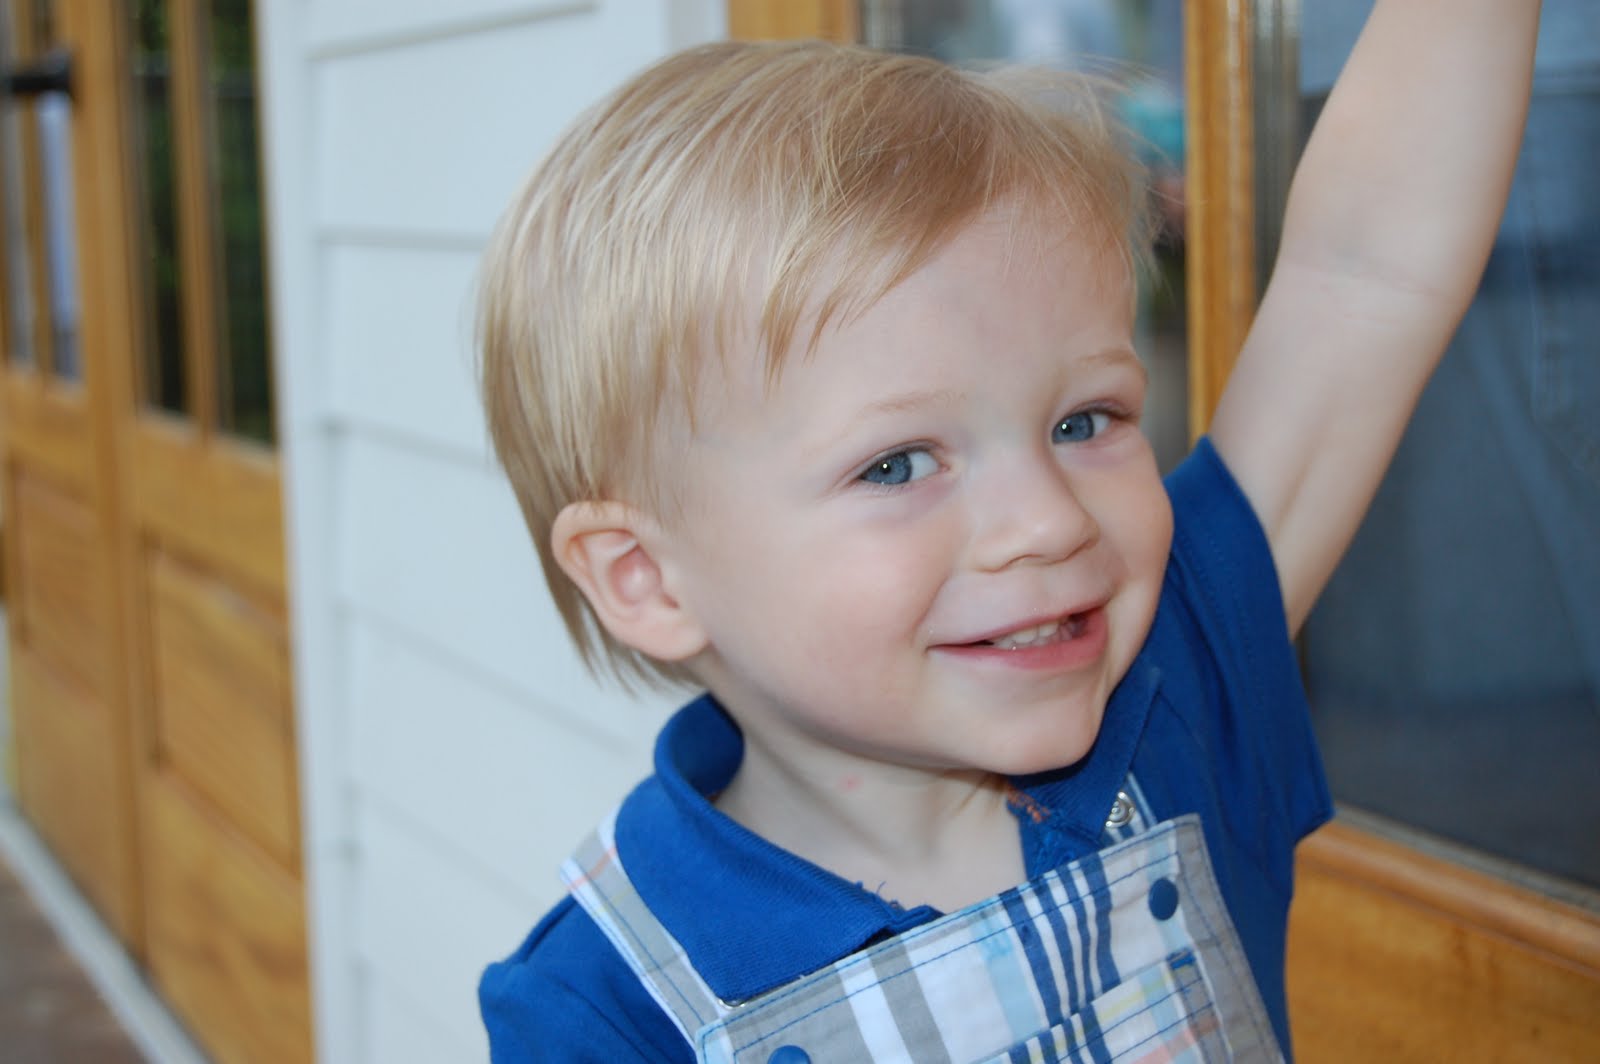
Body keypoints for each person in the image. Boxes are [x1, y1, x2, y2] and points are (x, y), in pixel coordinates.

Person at [476, 2, 1539, 1059]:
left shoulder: (1174, 688)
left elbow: (1363, 274)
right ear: (648, 579)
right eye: (897, 464)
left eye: (1084, 421)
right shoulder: (598, 1013)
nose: (1048, 519)